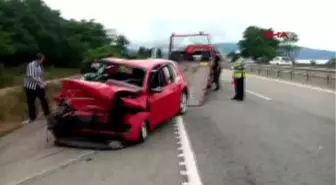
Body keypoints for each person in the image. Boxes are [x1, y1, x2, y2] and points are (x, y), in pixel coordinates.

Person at [23, 53, 50, 123]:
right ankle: (32, 117)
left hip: (38, 86)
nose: (43, 60)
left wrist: (43, 83)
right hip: (30, 87)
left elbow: (41, 76)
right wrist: (41, 82)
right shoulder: (31, 65)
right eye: (42, 59)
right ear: (39, 59)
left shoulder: (40, 66)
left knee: (43, 99)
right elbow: (32, 77)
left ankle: (48, 114)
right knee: (31, 102)